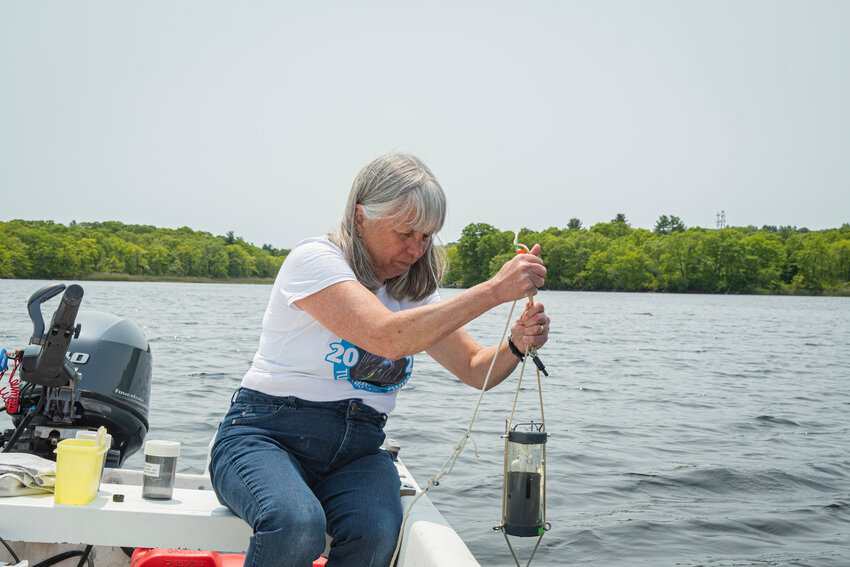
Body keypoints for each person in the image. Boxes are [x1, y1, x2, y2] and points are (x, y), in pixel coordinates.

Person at [208, 153, 551, 566]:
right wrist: (495, 290)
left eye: (426, 237)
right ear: (360, 217)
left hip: (359, 448)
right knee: (297, 523)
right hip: (264, 435)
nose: (415, 249)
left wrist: (515, 343)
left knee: (377, 534)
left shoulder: (414, 294)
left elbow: (476, 367)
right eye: (405, 232)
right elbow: (386, 337)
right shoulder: (315, 259)